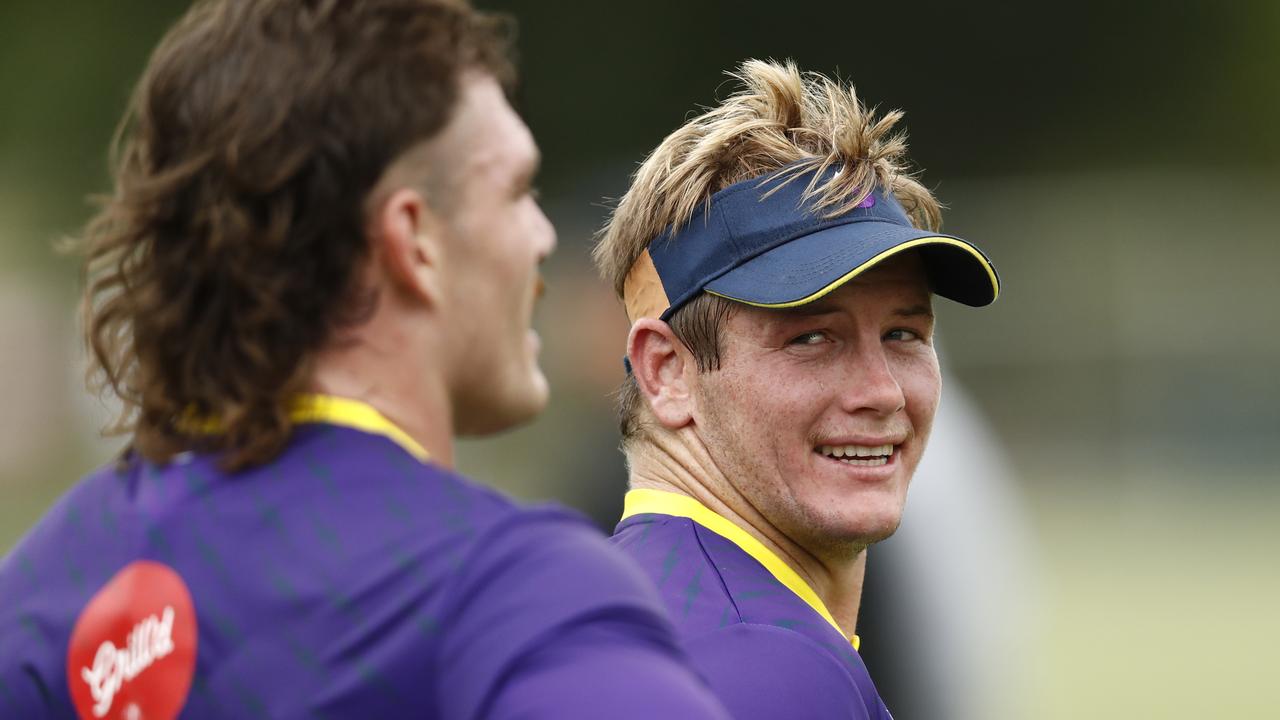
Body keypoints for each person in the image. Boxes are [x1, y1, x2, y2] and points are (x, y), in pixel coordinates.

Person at [0, 2, 730, 718]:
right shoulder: (504, 594)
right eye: (514, 191)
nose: (542, 236)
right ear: (413, 239)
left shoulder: (37, 592)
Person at [593, 59, 1001, 719]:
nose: (882, 393)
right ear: (666, 371)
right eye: (812, 338)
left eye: (904, 335)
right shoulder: (766, 671)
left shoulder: (632, 611)